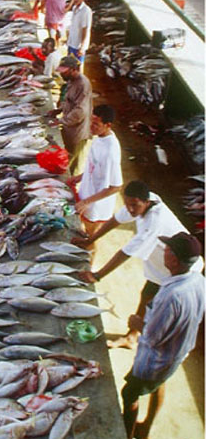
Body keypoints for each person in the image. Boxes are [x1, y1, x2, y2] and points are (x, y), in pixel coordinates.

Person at [75, 180, 203, 349]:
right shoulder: (141, 201)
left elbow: (125, 253)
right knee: (147, 294)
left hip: (182, 270)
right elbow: (116, 219)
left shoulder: (154, 221)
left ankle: (154, 342)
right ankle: (132, 336)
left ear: (146, 202)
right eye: (128, 204)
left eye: (134, 205)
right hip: (163, 264)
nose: (131, 209)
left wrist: (97, 275)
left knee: (163, 307)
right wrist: (90, 239)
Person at [122, 232, 204, 439]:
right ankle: (146, 429)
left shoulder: (171, 295)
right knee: (159, 384)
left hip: (156, 358)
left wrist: (136, 323)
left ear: (174, 259)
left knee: (129, 392)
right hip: (178, 351)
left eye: (167, 249)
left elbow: (152, 337)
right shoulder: (198, 280)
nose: (164, 252)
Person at [70, 105, 123, 237]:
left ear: (107, 125)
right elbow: (95, 166)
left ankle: (89, 254)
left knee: (90, 236)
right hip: (86, 194)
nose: (91, 127)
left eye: (96, 124)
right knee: (80, 229)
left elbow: (116, 186)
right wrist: (80, 177)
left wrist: (87, 202)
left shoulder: (110, 151)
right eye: (91, 122)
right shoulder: (100, 137)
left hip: (96, 205)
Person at [48, 55, 93, 174]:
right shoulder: (71, 81)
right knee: (66, 157)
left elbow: (80, 112)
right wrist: (59, 110)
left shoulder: (83, 84)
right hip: (70, 126)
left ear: (74, 69)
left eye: (64, 71)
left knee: (72, 164)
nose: (61, 74)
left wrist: (61, 121)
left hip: (78, 132)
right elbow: (69, 101)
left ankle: (71, 185)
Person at [66, 0, 93, 68]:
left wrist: (82, 47)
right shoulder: (75, 8)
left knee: (77, 66)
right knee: (69, 64)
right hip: (71, 42)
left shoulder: (86, 11)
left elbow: (85, 30)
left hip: (78, 45)